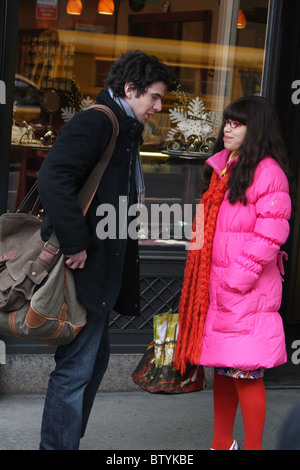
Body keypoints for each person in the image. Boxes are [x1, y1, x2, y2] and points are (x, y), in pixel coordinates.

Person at [37, 50, 174, 450]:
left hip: (100, 271)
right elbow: (53, 177)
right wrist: (77, 242)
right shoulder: (98, 122)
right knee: (77, 369)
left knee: (90, 366)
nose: (158, 107)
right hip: (85, 269)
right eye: (154, 97)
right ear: (130, 89)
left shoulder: (125, 130)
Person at [174, 95, 294, 450]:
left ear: (256, 129)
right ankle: (221, 443)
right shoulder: (224, 170)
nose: (228, 127)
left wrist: (238, 277)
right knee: (224, 367)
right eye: (227, 120)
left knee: (246, 371)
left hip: (246, 290)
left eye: (237, 122)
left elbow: (271, 231)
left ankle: (253, 447)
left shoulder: (268, 172)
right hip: (219, 286)